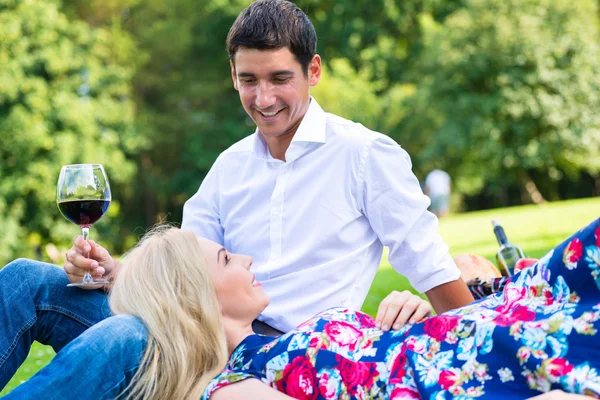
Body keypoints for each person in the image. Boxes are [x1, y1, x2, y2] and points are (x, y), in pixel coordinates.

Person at [0, 0, 474, 391]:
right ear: (232, 75)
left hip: (280, 357)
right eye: (249, 80)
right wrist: (115, 272)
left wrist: (469, 340)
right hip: (201, 329)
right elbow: (184, 268)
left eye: (279, 79)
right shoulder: (230, 167)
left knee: (131, 335)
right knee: (25, 281)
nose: (263, 98)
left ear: (313, 71)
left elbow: (431, 266)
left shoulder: (364, 155)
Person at [4, 219, 600, 399]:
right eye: (228, 258)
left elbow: (455, 267)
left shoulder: (361, 152)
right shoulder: (235, 382)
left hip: (470, 338)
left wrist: (416, 313)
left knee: (576, 264)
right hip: (482, 367)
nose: (246, 257)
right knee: (43, 288)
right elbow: (170, 276)